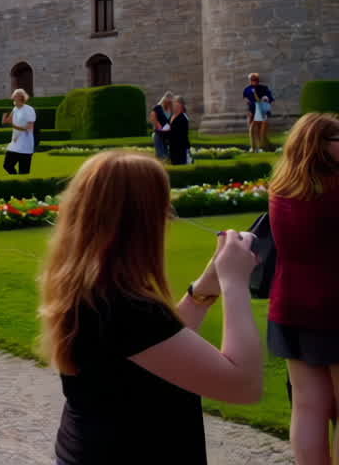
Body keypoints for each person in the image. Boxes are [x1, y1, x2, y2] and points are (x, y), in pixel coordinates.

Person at [39, 150, 263, 465]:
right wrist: (235, 283)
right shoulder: (123, 307)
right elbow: (244, 385)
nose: (169, 216)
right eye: (162, 206)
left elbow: (158, 347)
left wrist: (204, 289)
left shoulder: (94, 290)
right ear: (139, 221)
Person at [266, 112, 339, 465]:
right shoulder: (334, 188)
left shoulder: (281, 187)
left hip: (290, 305)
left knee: (308, 407)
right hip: (332, 305)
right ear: (322, 146)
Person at [2, 89, 37, 175]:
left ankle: (20, 183)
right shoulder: (15, 109)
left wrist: (13, 126)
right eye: (14, 94)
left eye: (16, 95)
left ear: (21, 97)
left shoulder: (29, 109)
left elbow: (29, 128)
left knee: (24, 172)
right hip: (15, 143)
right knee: (7, 165)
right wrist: (4, 119)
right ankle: (15, 180)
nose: (13, 96)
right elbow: (8, 121)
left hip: (25, 144)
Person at [243, 73, 275, 153]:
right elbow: (246, 99)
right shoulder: (247, 89)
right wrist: (248, 109)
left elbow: (269, 97)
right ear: (250, 80)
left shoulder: (264, 88)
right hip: (252, 111)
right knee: (253, 130)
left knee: (262, 130)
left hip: (262, 109)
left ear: (258, 80)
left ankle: (264, 147)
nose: (254, 81)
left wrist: (266, 98)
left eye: (255, 79)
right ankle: (255, 147)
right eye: (252, 79)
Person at [149, 92, 174, 160]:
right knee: (161, 154)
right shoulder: (158, 108)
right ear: (164, 100)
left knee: (168, 154)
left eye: (170, 102)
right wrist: (157, 124)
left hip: (168, 134)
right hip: (159, 133)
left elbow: (172, 120)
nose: (169, 103)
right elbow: (153, 117)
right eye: (167, 102)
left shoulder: (171, 110)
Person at [169, 96, 192, 166]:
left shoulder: (183, 118)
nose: (172, 105)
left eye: (174, 103)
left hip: (180, 148)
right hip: (172, 147)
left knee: (181, 164)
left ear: (180, 105)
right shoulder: (172, 116)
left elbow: (182, 134)